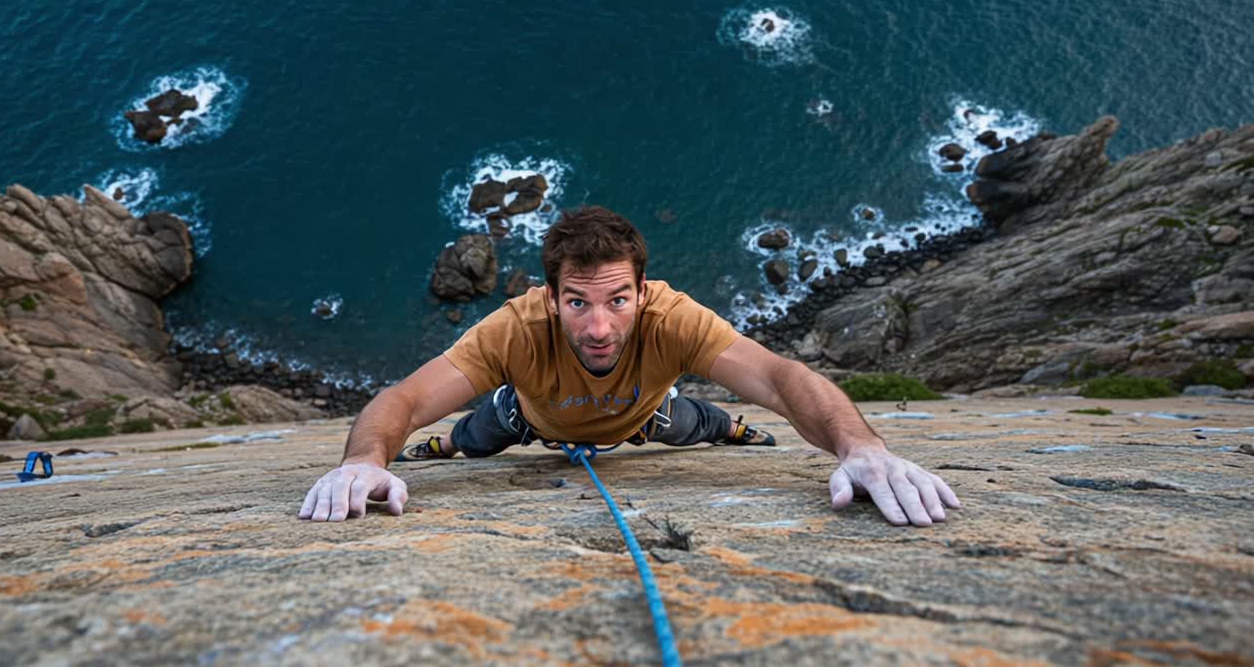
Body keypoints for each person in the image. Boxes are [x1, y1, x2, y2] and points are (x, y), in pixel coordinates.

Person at [299, 206, 960, 526]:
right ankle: (437, 452)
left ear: (643, 291)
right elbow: (405, 400)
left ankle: (735, 431)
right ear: (551, 297)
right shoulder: (516, 329)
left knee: (704, 421)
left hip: (644, 420)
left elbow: (781, 378)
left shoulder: (673, 319)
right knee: (468, 435)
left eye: (618, 299)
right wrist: (368, 459)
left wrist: (859, 445)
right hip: (528, 420)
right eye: (577, 302)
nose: (599, 325)